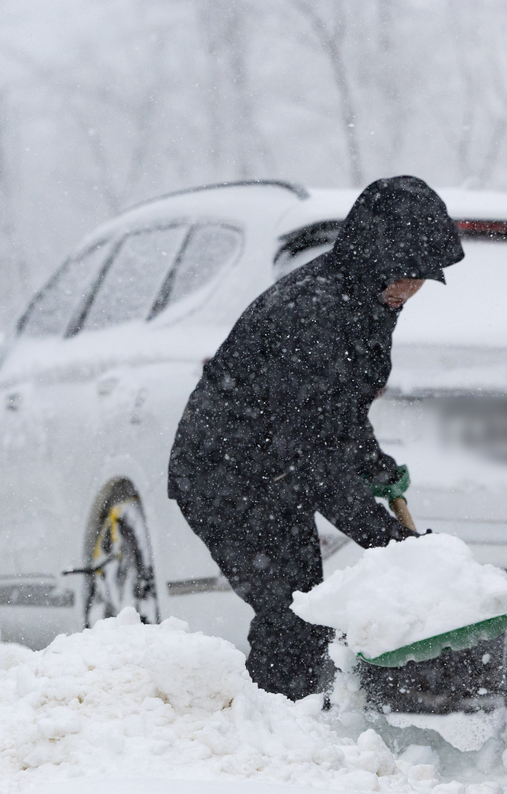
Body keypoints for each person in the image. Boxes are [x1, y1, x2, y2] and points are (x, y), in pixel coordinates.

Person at [167, 176, 464, 700]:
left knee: (305, 609)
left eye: (424, 277)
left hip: (273, 471)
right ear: (375, 257)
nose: (413, 287)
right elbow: (313, 457)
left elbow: (339, 409)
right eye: (406, 273)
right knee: (293, 611)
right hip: (226, 475)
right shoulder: (313, 312)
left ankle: (289, 725)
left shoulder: (368, 302)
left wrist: (374, 464)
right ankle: (275, 736)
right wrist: (392, 544)